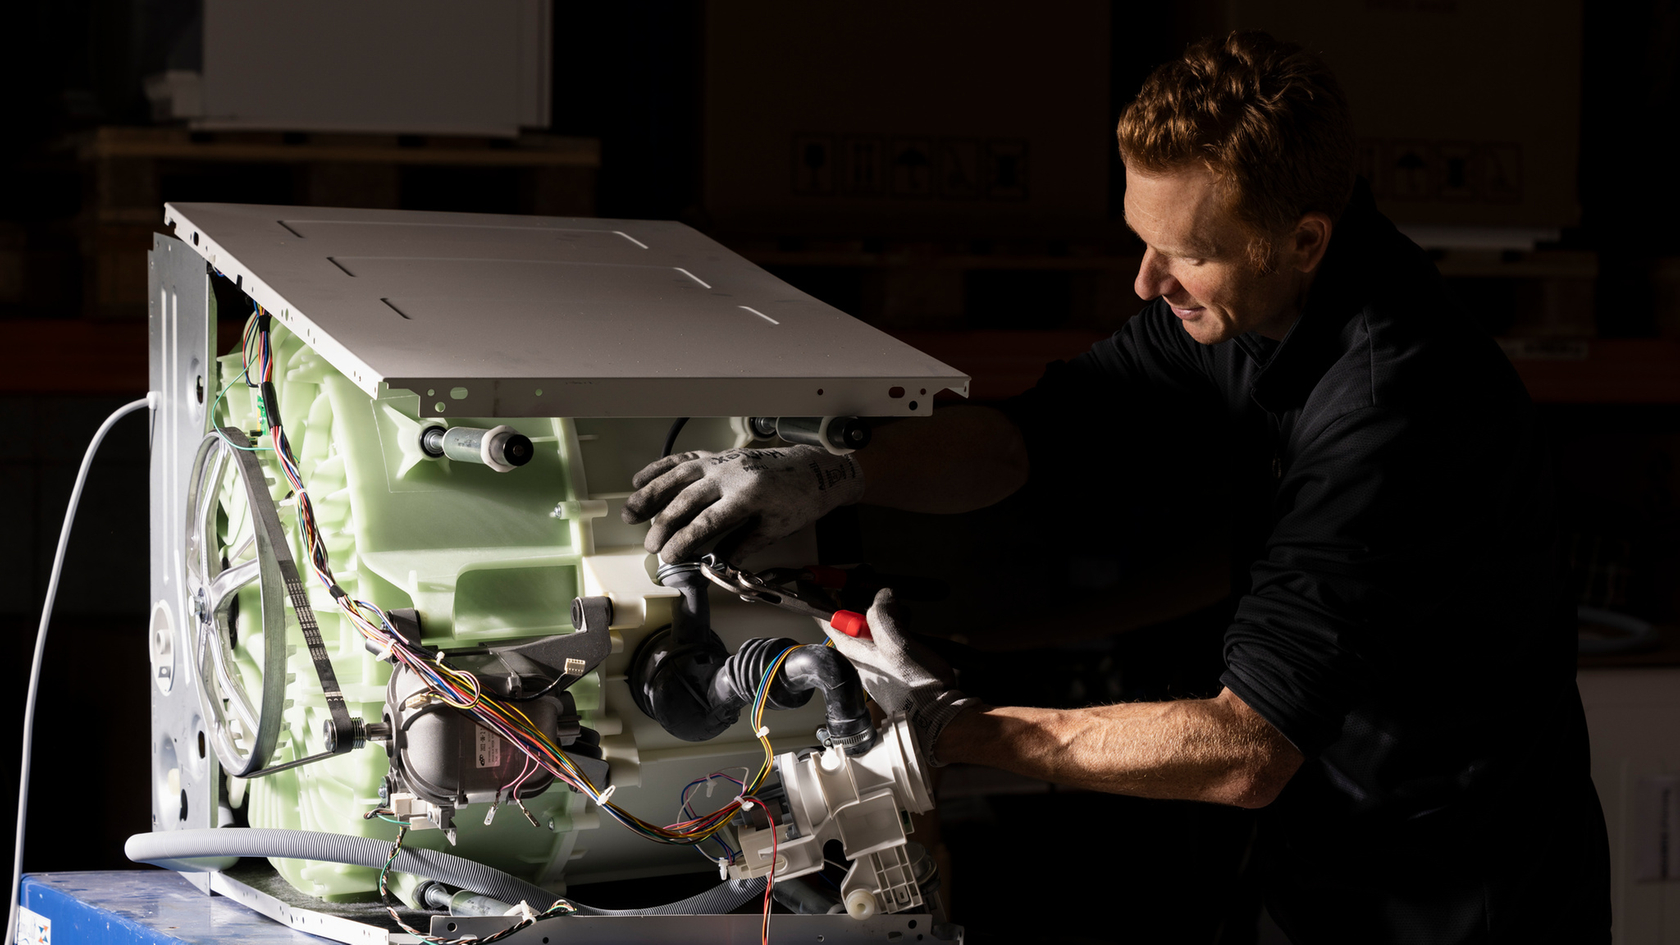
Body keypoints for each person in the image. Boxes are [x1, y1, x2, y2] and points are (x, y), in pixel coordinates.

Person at [622, 31, 1610, 944]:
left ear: (1303, 239)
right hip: (1318, 859)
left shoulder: (1389, 409)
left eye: (1186, 253)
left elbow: (1245, 751)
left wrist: (946, 730)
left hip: (1457, 896)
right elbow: (1034, 440)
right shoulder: (1259, 304)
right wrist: (837, 474)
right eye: (1142, 238)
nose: (1147, 282)